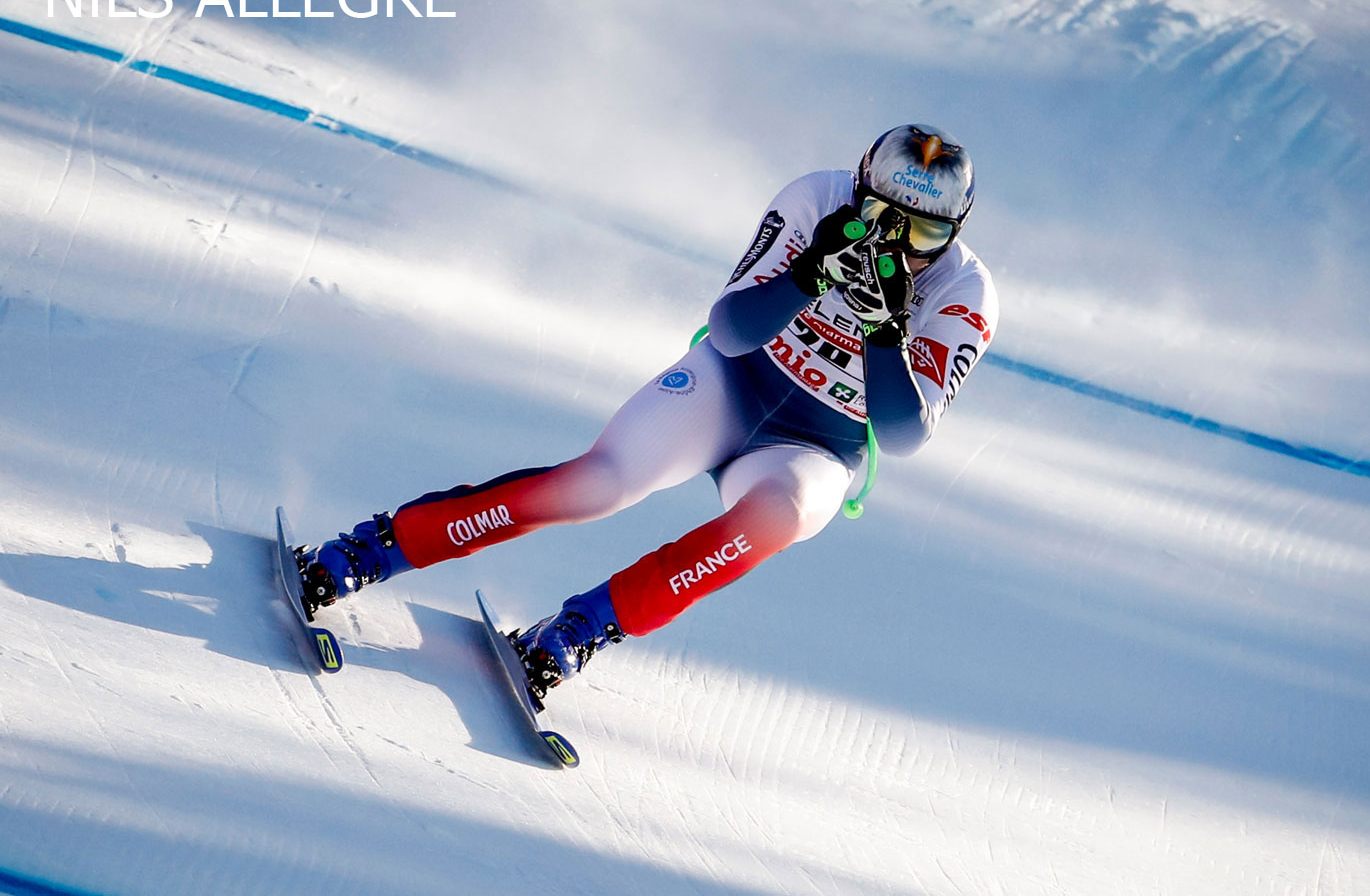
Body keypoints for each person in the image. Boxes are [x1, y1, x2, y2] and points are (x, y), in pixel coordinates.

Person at [296, 123, 999, 703]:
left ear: (954, 233)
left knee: (770, 523)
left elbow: (903, 433)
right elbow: (732, 331)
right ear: (855, 190)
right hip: (732, 383)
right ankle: (377, 546)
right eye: (878, 219)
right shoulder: (817, 200)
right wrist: (809, 274)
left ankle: (580, 627)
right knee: (596, 485)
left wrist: (886, 331)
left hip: (818, 445)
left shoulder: (965, 288)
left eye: (921, 237)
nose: (892, 246)